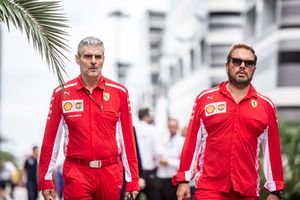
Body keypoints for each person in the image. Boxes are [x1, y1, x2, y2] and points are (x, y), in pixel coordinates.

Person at [173, 42, 285, 200]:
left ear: (254, 68)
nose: (242, 66)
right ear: (227, 65)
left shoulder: (266, 105)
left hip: (247, 190)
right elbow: (192, 142)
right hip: (209, 189)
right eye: (237, 61)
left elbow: (271, 150)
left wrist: (275, 190)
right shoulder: (205, 99)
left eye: (249, 63)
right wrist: (184, 180)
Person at [38, 36, 139, 200]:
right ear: (77, 59)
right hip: (76, 173)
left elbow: (128, 140)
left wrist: (132, 179)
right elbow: (50, 141)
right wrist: (45, 179)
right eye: (87, 56)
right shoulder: (62, 93)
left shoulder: (119, 92)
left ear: (103, 60)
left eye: (98, 57)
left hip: (111, 172)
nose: (93, 61)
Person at [135, 107, 161, 200]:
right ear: (146, 116)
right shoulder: (153, 130)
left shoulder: (133, 129)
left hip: (136, 171)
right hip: (150, 171)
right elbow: (158, 152)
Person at [157, 118, 184, 200]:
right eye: (170, 127)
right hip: (160, 176)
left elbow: (183, 163)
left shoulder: (182, 141)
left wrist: (168, 162)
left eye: (174, 127)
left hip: (173, 177)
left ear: (177, 127)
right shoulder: (163, 139)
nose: (172, 129)